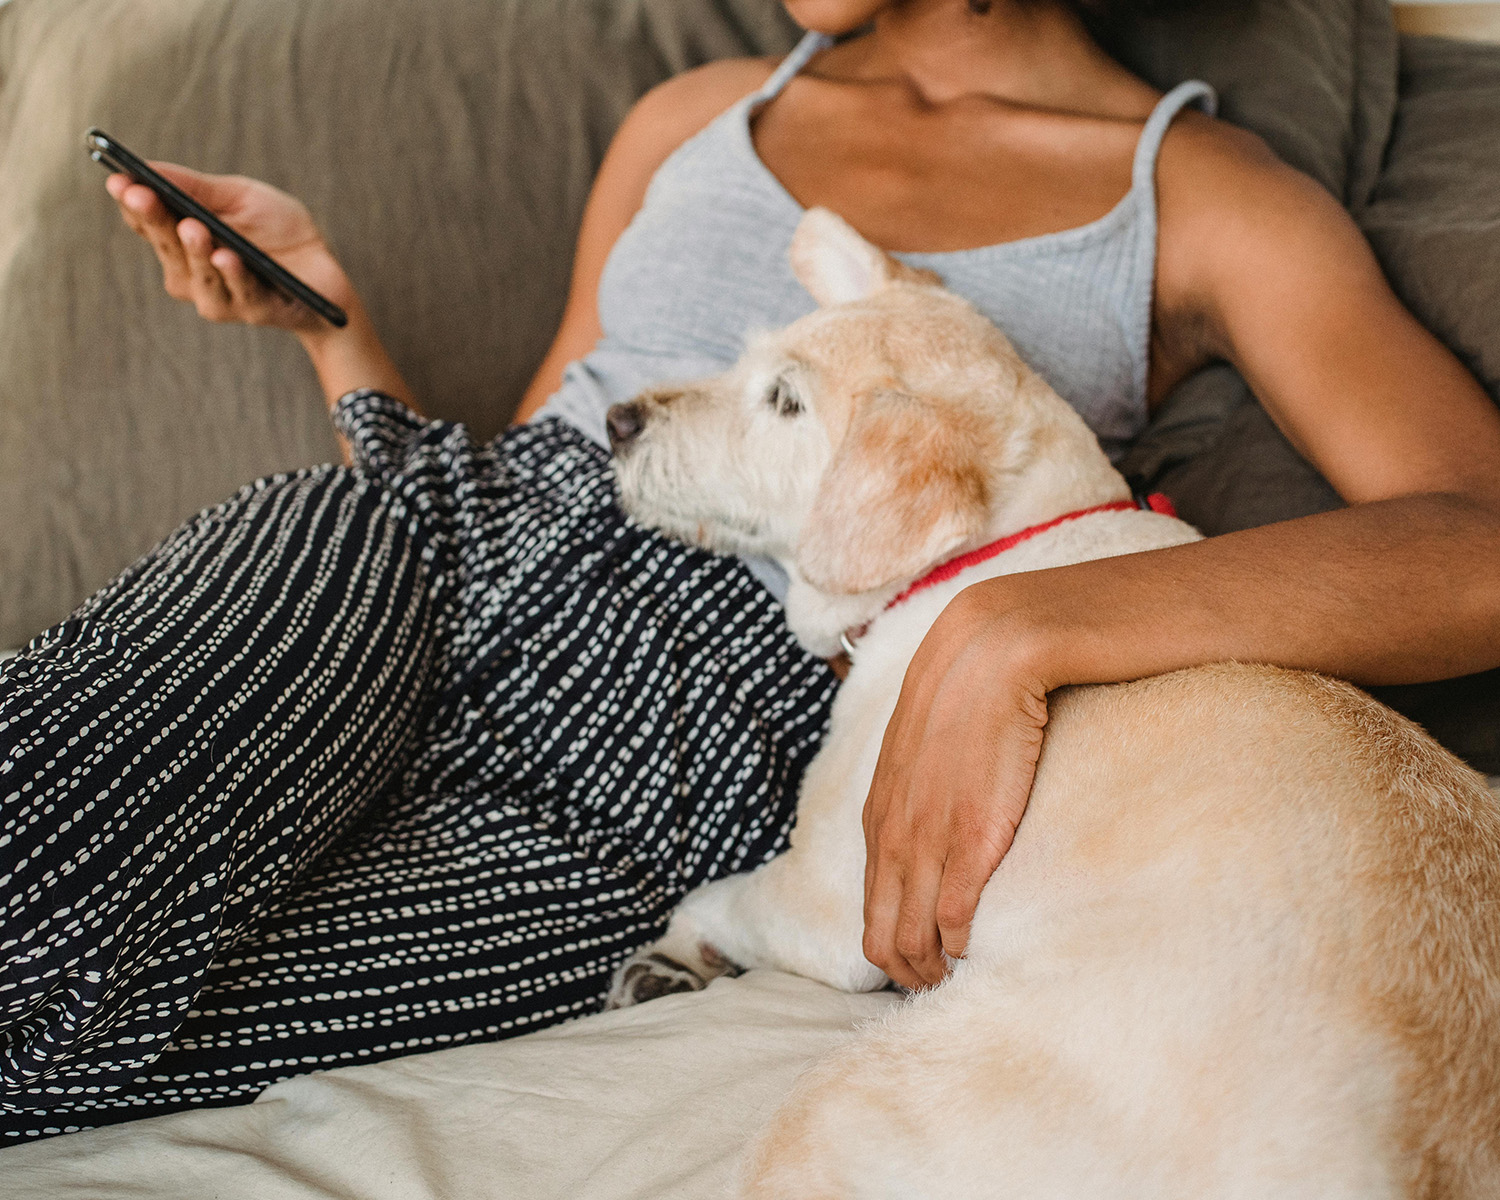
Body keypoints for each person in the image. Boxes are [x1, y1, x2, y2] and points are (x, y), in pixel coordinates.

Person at [4, 0, 1499, 1141]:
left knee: (95, 1051)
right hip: (403, 551)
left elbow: (1478, 538)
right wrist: (337, 333)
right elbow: (539, 466)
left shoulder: (1209, 197)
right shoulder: (695, 115)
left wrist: (1019, 627)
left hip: (667, 767)